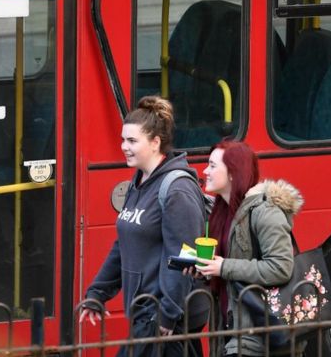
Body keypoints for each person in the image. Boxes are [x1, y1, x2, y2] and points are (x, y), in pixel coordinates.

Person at [80, 96, 210, 357]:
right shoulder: (138, 183)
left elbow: (184, 255)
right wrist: (97, 293)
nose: (123, 147)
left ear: (155, 143)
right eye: (122, 139)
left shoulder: (177, 190)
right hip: (145, 313)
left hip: (164, 321)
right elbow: (124, 244)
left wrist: (167, 315)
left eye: (132, 141)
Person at [195, 139, 304, 356]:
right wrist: (205, 269)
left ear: (233, 173)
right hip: (229, 329)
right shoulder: (221, 211)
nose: (205, 170)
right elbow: (228, 270)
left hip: (259, 333)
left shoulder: (265, 211)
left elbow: (281, 267)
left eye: (213, 165)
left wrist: (224, 267)